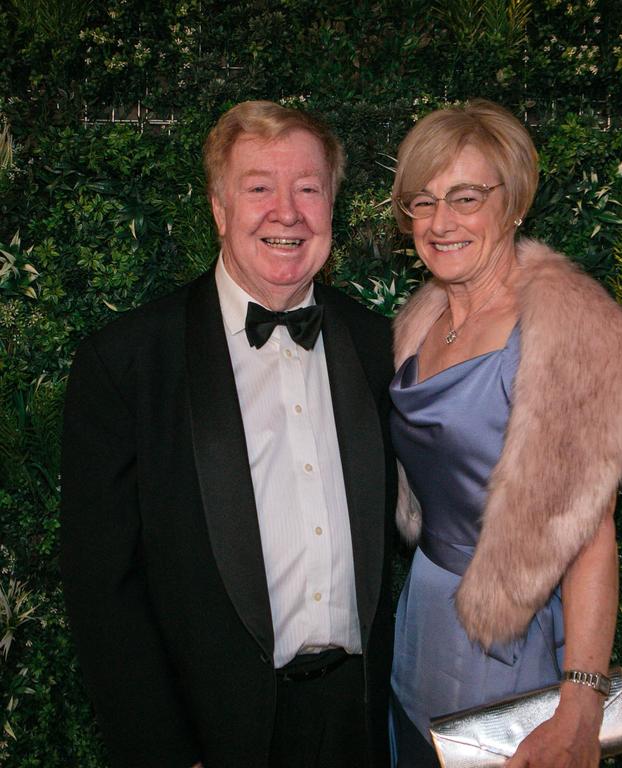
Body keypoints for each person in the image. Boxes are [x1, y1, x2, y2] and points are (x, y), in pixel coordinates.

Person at [60, 100, 396, 768]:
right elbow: (103, 590)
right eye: (259, 189)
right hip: (212, 734)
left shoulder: (379, 344)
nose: (287, 212)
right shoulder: (127, 362)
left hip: (362, 723)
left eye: (308, 188)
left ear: (333, 206)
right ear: (219, 209)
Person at [388, 99, 622, 767]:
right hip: (422, 619)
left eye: (465, 197)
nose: (441, 222)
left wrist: (581, 701)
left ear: (514, 203)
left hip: (513, 644)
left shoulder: (561, 332)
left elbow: (592, 537)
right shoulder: (418, 321)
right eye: (423, 202)